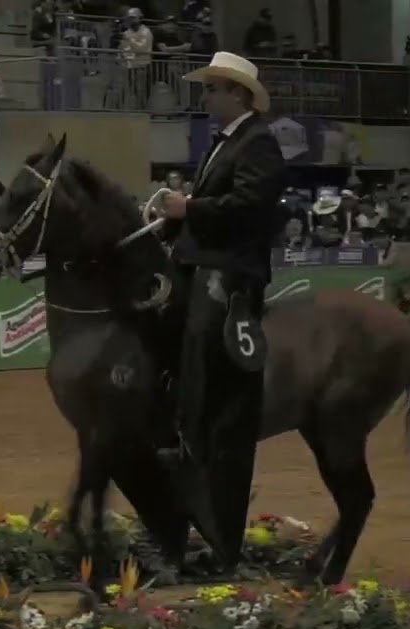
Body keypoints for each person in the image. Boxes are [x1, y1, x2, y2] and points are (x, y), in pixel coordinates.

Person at [156, 52, 285, 565]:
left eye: (212, 88)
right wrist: (174, 218)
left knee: (204, 355)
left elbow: (251, 208)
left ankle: (194, 429)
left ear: (238, 94)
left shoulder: (258, 144)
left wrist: (190, 208)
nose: (205, 96)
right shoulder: (225, 143)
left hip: (231, 271)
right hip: (199, 261)